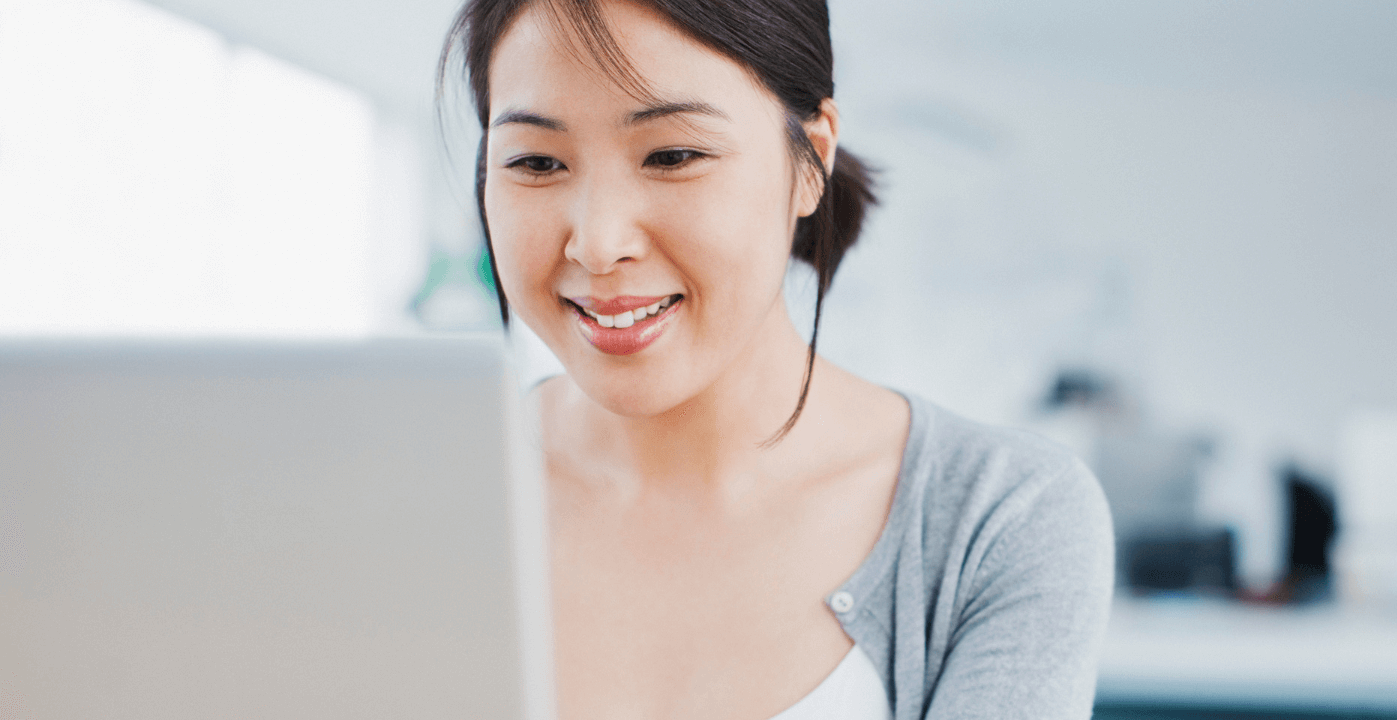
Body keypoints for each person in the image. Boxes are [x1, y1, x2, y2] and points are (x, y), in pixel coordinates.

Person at [440, 1, 1114, 718]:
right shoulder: (420, 497)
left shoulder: (998, 516)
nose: (599, 244)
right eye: (536, 162)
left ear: (811, 160)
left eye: (673, 156)